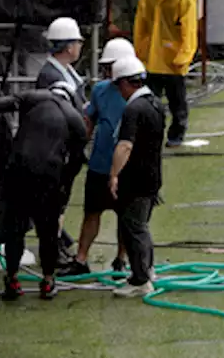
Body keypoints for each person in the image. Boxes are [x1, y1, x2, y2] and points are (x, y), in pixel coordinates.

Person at [0, 80, 88, 301]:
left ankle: (12, 279)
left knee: (14, 230)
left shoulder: (32, 97)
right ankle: (47, 281)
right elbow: (75, 163)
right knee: (48, 233)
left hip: (17, 172)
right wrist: (63, 192)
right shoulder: (74, 119)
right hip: (48, 177)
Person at [62, 38, 137, 276]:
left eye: (111, 66)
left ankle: (121, 259)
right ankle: (81, 258)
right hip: (99, 164)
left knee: (125, 217)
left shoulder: (136, 96)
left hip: (126, 167)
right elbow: (90, 120)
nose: (107, 71)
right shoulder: (100, 91)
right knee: (92, 212)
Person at [108, 56, 166, 298]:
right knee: (141, 226)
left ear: (124, 83)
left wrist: (113, 174)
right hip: (152, 176)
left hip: (136, 179)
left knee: (134, 228)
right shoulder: (155, 103)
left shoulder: (134, 109)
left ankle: (141, 279)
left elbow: (125, 146)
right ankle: (147, 270)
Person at [133, 0, 198, 147]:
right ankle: (150, 135)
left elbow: (190, 29)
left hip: (173, 60)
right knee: (150, 102)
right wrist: (140, 51)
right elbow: (141, 22)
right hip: (151, 58)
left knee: (177, 102)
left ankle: (176, 134)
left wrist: (184, 56)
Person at [32, 16, 86, 102]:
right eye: (79, 42)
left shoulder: (65, 70)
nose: (80, 46)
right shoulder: (50, 76)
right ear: (69, 47)